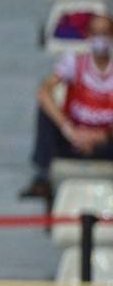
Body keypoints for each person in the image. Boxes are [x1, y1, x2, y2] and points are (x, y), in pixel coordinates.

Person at [21, 14, 113, 199]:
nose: (100, 39)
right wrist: (69, 130)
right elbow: (44, 91)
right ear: (88, 36)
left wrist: (101, 136)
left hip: (106, 143)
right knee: (45, 110)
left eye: (105, 33)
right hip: (74, 139)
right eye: (96, 33)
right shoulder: (74, 62)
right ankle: (42, 178)